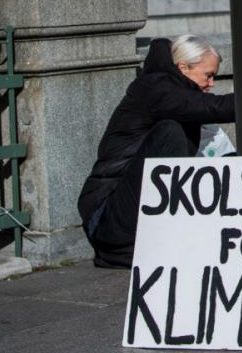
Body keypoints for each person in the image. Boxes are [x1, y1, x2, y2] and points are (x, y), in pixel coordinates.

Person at [77, 35, 233, 268]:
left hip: (124, 215)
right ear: (183, 68)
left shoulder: (174, 93)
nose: (211, 84)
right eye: (208, 75)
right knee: (170, 132)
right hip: (106, 217)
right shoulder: (155, 89)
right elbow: (211, 107)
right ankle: (124, 250)